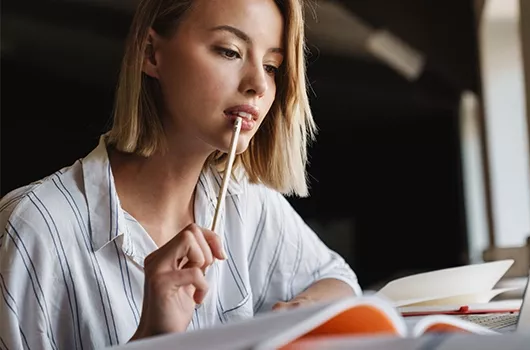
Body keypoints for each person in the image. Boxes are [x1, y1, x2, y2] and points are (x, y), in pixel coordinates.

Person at [0, 0, 361, 348]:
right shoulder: (35, 227)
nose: (259, 85)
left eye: (271, 66)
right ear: (151, 53)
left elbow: (339, 280)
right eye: (230, 51)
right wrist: (151, 340)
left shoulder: (246, 202)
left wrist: (302, 312)